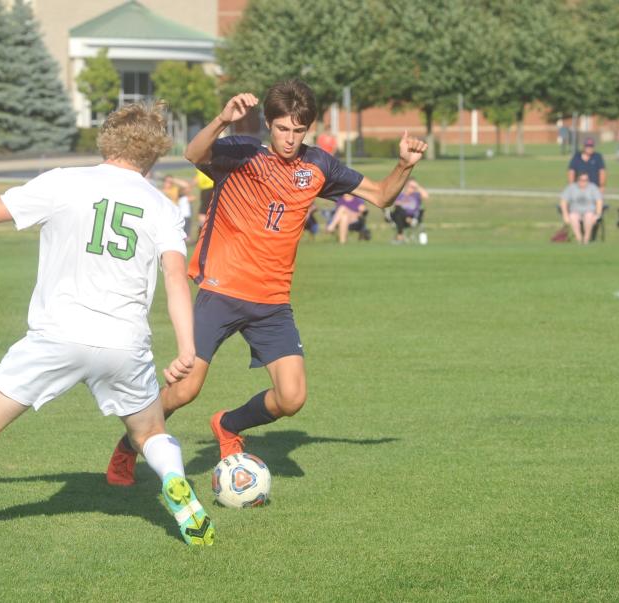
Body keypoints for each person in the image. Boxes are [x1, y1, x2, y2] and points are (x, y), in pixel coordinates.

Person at [0, 101, 214, 551]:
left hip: (57, 336)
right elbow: (174, 277)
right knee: (148, 433)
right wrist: (186, 347)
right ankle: (175, 483)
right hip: (125, 343)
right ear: (154, 151)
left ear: (106, 138)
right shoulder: (162, 207)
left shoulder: (64, 182)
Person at [105, 79, 427, 484]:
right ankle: (128, 445)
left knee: (292, 398)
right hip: (221, 292)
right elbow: (193, 153)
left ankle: (228, 425)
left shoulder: (318, 166)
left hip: (272, 302)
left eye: (298, 131)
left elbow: (381, 196)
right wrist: (223, 119)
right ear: (269, 125)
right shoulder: (241, 153)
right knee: (185, 391)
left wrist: (405, 164)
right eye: (282, 128)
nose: (290, 139)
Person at [560, 172, 604, 245]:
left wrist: (598, 215)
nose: (584, 182)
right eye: (582, 180)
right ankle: (579, 239)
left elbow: (599, 201)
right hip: (575, 211)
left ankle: (586, 239)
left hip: (589, 211)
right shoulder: (571, 188)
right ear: (578, 180)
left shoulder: (593, 187)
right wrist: (565, 215)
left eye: (586, 180)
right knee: (572, 216)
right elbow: (563, 201)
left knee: (589, 216)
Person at [390, 179, 429, 243]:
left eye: (413, 187)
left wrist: (417, 186)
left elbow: (426, 196)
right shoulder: (400, 195)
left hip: (413, 218)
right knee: (398, 209)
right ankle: (406, 220)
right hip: (400, 218)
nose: (412, 188)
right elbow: (394, 204)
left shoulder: (416, 195)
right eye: (411, 186)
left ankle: (400, 235)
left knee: (399, 212)